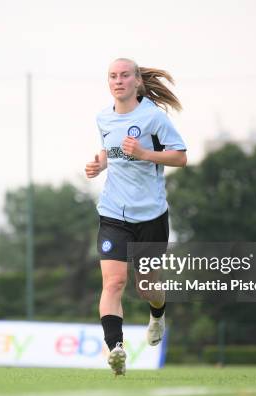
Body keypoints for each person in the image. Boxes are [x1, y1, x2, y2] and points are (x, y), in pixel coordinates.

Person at [85, 58, 187, 376]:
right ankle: (116, 348)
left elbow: (181, 156)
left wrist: (145, 154)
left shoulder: (153, 118)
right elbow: (109, 150)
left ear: (137, 81)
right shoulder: (103, 118)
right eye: (112, 76)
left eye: (124, 75)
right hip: (113, 213)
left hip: (151, 217)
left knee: (145, 287)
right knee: (114, 282)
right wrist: (100, 163)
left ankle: (158, 313)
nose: (118, 81)